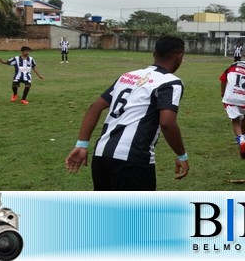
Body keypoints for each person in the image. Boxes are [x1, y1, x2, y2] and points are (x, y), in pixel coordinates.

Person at [64, 36, 189, 190]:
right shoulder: (171, 83)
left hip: (102, 155)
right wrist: (182, 155)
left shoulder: (127, 76)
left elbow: (95, 107)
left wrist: (81, 145)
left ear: (154, 53)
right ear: (180, 56)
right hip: (134, 159)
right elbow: (167, 122)